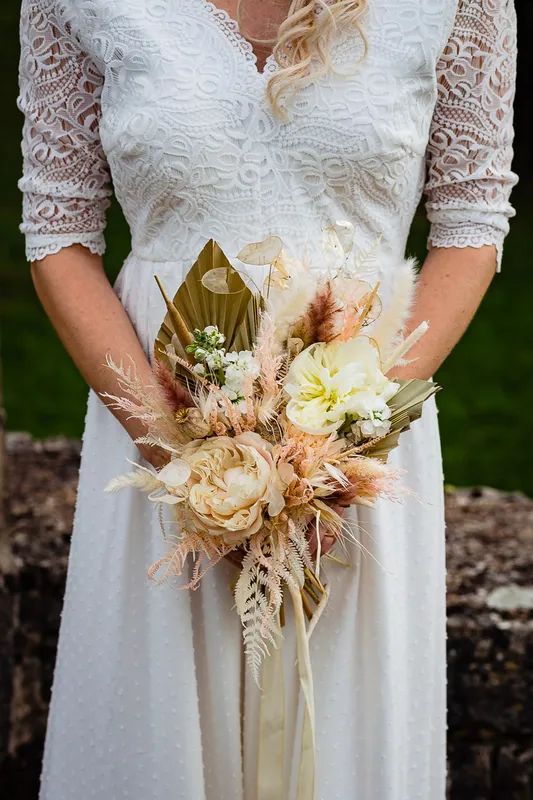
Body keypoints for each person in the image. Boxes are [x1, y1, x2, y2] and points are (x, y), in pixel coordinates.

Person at [17, 0, 517, 797]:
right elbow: (57, 230)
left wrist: (342, 447)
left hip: (356, 448)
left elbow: (471, 218)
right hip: (155, 432)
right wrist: (191, 462)